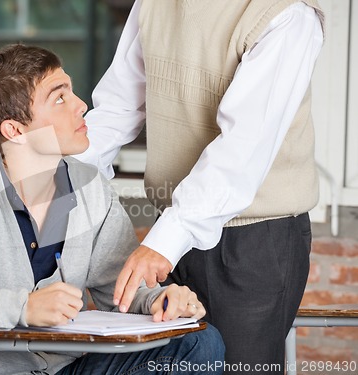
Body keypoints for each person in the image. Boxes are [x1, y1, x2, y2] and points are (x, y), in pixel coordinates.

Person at [0, 44, 224, 375]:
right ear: (14, 130)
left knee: (199, 344)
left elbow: (120, 289)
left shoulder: (91, 187)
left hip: (65, 367)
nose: (81, 106)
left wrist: (161, 301)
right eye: (59, 98)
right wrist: (23, 307)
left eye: (72, 93)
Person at [75, 1, 325, 373]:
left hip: (254, 241)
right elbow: (118, 107)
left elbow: (241, 151)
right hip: (174, 230)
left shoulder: (288, 14)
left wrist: (162, 242)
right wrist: (53, 182)